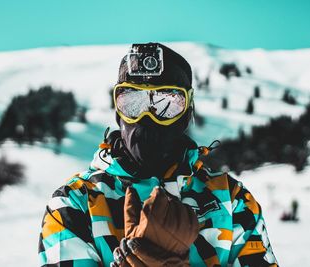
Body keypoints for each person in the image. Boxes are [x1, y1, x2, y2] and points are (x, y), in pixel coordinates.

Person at [38, 43, 278, 266]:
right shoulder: (75, 204)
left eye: (167, 103)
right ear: (118, 113)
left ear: (187, 111)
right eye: (132, 102)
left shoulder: (230, 202)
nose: (147, 117)